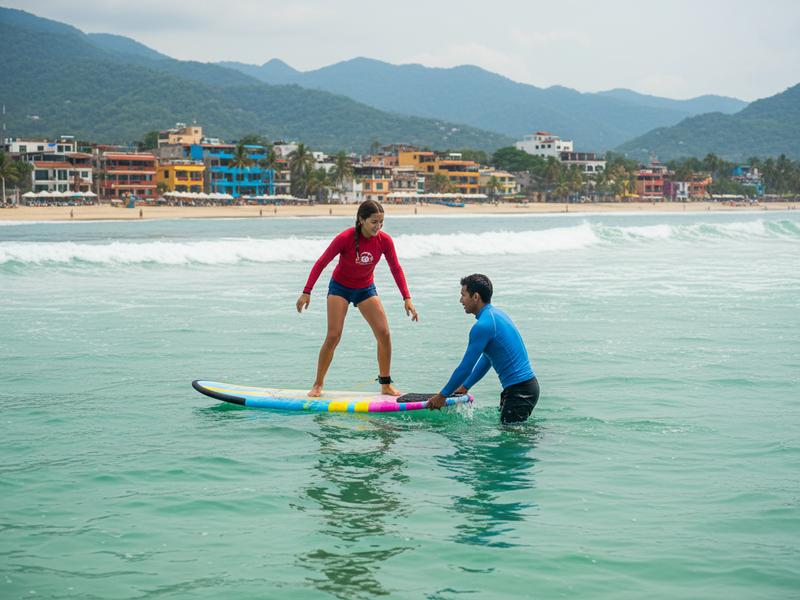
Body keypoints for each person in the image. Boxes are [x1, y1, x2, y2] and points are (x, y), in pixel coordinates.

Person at [297, 200, 418, 397]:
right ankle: (318, 384)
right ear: (361, 220)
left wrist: (407, 298)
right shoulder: (345, 238)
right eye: (374, 222)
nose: (378, 227)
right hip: (340, 288)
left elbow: (396, 268)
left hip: (365, 289)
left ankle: (385, 384)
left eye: (381, 222)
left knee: (384, 333)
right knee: (334, 335)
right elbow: (322, 262)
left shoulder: (384, 241)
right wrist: (306, 291)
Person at [428, 274, 539, 423]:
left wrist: (442, 395)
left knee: (512, 439)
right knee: (512, 432)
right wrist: (465, 386)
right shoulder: (496, 315)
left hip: (520, 391)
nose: (461, 300)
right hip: (523, 388)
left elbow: (465, 368)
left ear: (476, 297)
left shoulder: (483, 326)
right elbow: (488, 358)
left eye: (463, 295)